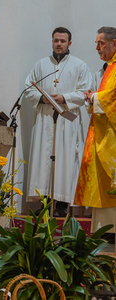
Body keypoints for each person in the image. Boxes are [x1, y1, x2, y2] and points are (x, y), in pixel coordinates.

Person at [24, 27, 92, 216]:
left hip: (66, 121)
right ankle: (45, 203)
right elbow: (28, 89)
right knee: (43, 159)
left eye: (62, 41)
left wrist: (64, 97)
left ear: (70, 43)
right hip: (45, 118)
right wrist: (41, 98)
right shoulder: (41, 65)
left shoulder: (80, 66)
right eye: (56, 40)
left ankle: (61, 205)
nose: (59, 44)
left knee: (65, 159)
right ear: (52, 42)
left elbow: (85, 93)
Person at [74, 27, 116, 232]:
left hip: (111, 137)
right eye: (96, 44)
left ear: (114, 43)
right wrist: (92, 98)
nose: (98, 48)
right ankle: (104, 229)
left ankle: (110, 230)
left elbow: (113, 96)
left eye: (102, 43)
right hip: (101, 132)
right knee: (101, 182)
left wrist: (94, 97)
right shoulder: (108, 67)